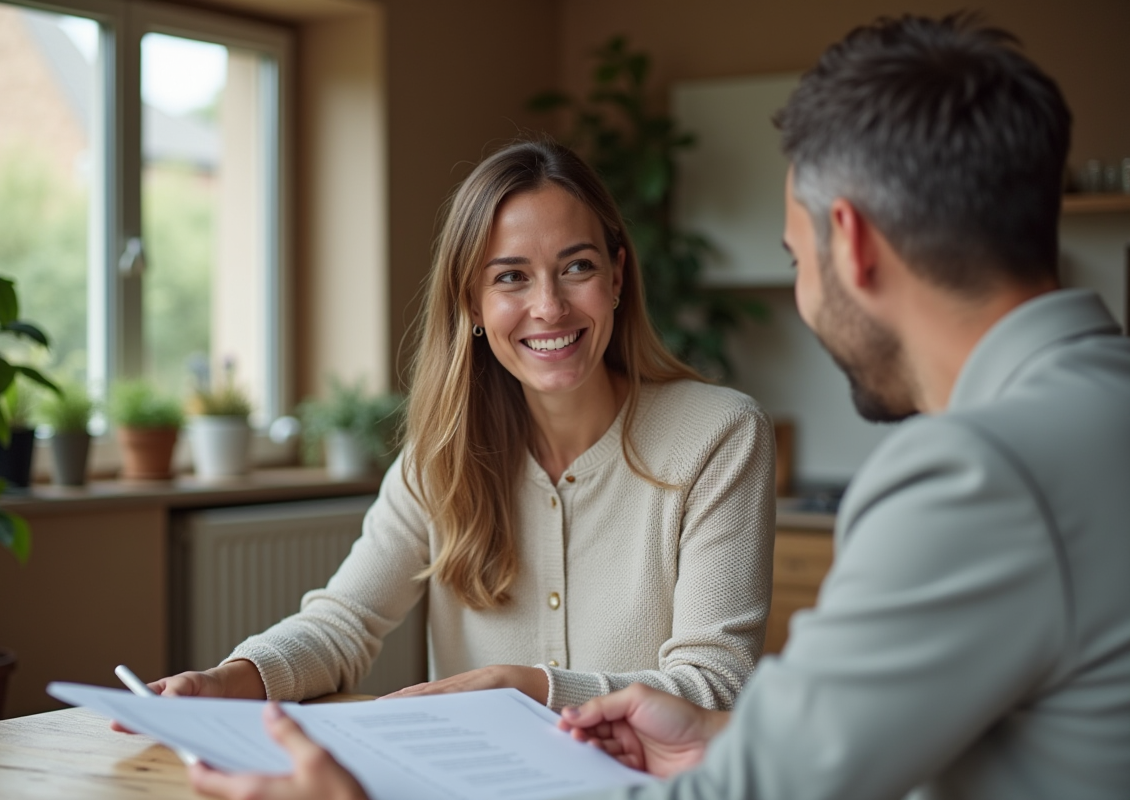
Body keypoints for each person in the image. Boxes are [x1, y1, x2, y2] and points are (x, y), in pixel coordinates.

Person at [186, 13, 1130, 800]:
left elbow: (776, 782)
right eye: (511, 279)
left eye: (796, 258)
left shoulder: (971, 475)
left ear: (852, 242)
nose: (548, 306)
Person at [140, 140, 775, 720]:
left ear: (616, 276)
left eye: (576, 267)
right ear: (472, 303)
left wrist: (528, 687)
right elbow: (344, 623)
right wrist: (230, 679)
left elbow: (717, 684)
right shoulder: (441, 457)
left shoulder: (718, 435)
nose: (549, 306)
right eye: (510, 277)